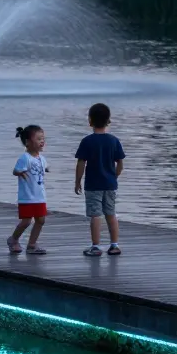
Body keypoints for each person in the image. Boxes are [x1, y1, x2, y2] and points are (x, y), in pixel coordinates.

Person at [75, 103, 125, 256]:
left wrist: (77, 181)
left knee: (95, 215)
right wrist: (114, 176)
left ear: (90, 121)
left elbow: (81, 163)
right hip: (110, 185)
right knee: (111, 214)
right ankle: (114, 245)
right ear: (108, 120)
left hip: (93, 185)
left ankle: (96, 246)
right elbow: (120, 163)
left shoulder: (87, 141)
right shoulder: (113, 140)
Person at [8, 125, 48, 254]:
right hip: (27, 196)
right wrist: (20, 173)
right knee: (26, 221)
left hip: (39, 196)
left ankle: (32, 244)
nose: (42, 141)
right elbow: (15, 170)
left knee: (41, 220)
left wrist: (45, 169)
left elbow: (42, 169)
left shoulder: (42, 158)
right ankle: (13, 239)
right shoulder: (25, 158)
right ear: (28, 143)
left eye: (43, 138)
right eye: (38, 139)